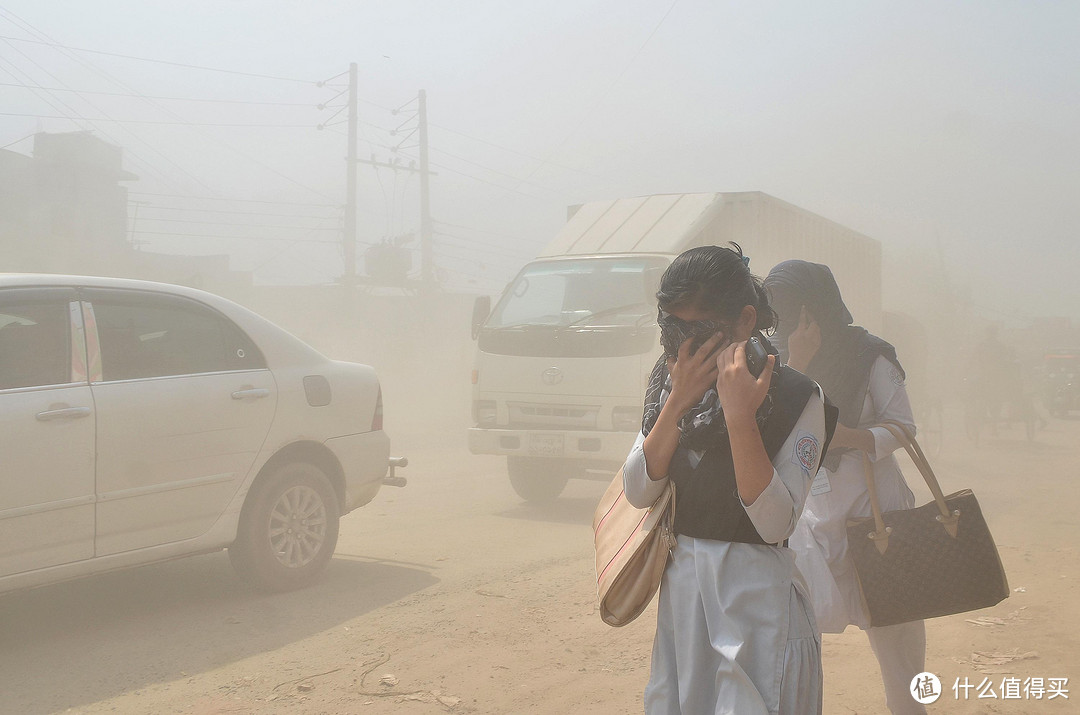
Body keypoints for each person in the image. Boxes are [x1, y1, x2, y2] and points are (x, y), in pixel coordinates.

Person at [622, 245, 836, 714]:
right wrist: (677, 403)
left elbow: (775, 524)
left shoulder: (799, 397)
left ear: (744, 321)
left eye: (698, 331)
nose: (683, 348)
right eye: (671, 329)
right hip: (684, 610)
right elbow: (639, 489)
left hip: (757, 613)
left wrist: (741, 418)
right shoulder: (668, 384)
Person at [763, 260, 927, 715]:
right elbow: (768, 430)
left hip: (876, 511)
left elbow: (904, 427)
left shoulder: (868, 354)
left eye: (795, 307)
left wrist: (848, 438)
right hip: (810, 518)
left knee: (898, 639)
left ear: (817, 307)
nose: (785, 319)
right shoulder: (773, 360)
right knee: (794, 636)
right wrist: (799, 361)